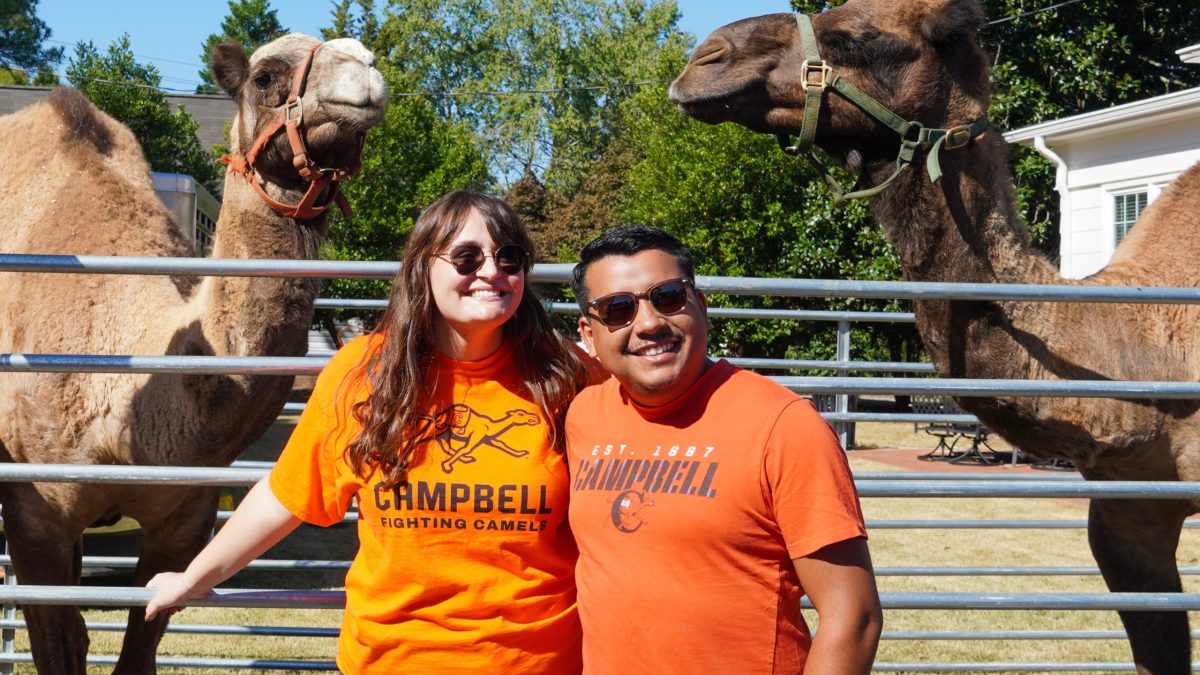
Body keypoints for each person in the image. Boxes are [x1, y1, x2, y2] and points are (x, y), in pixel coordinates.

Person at [145, 190, 602, 674]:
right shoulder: (364, 372)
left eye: (509, 257)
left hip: (535, 662)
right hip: (391, 660)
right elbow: (287, 495)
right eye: (467, 257)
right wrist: (193, 578)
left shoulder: (569, 377)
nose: (492, 271)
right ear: (423, 268)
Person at [566, 225, 882, 674]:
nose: (650, 323)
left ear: (702, 308)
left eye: (668, 297)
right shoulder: (583, 417)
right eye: (617, 309)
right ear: (590, 335)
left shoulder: (783, 425)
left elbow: (854, 617)